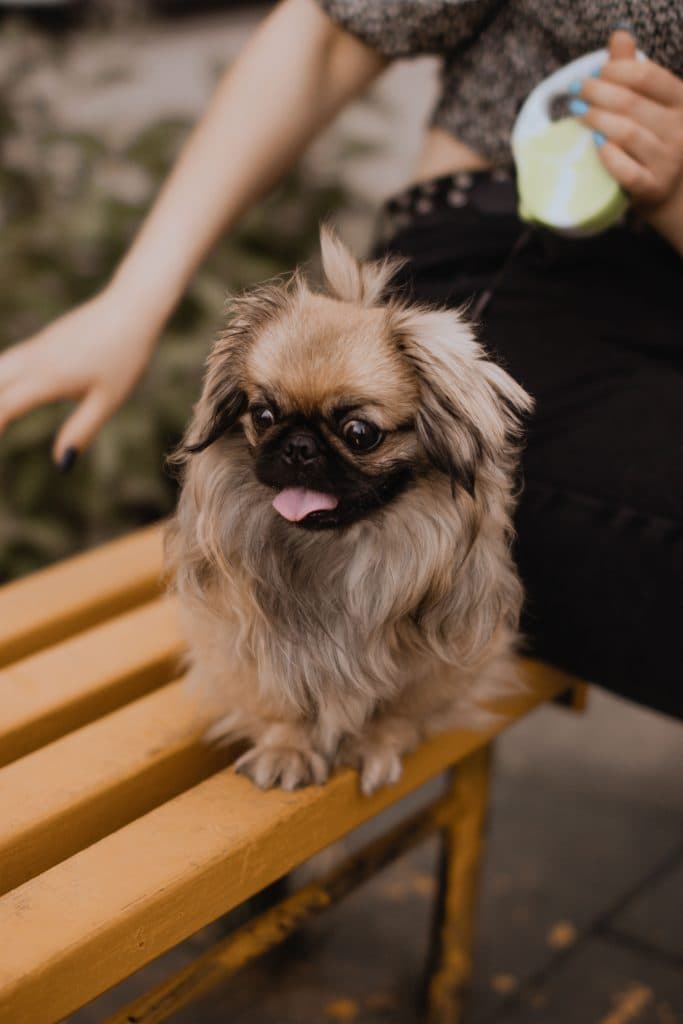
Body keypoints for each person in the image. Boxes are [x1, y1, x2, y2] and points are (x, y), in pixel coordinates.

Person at [0, 1, 681, 717]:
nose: (299, 453)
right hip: (514, 259)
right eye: (266, 418)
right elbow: (329, 32)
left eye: (355, 436)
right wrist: (131, 302)